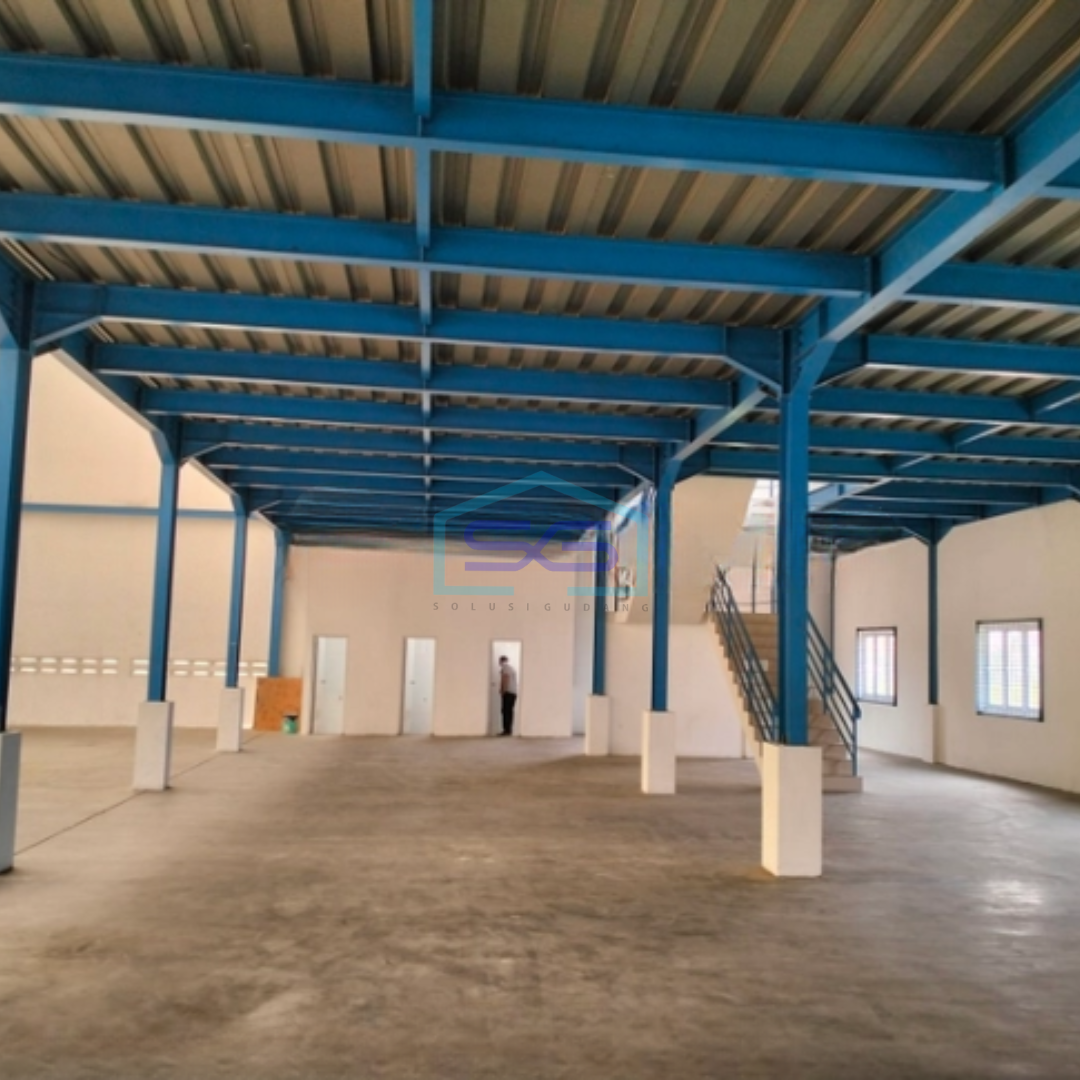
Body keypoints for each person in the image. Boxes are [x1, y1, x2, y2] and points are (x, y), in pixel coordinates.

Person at [497, 655, 518, 737]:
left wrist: (503, 691)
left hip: (508, 693)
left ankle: (506, 730)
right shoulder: (511, 668)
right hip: (513, 693)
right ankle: (509, 730)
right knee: (509, 711)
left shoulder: (505, 668)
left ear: (501, 661)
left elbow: (505, 679)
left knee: (505, 711)